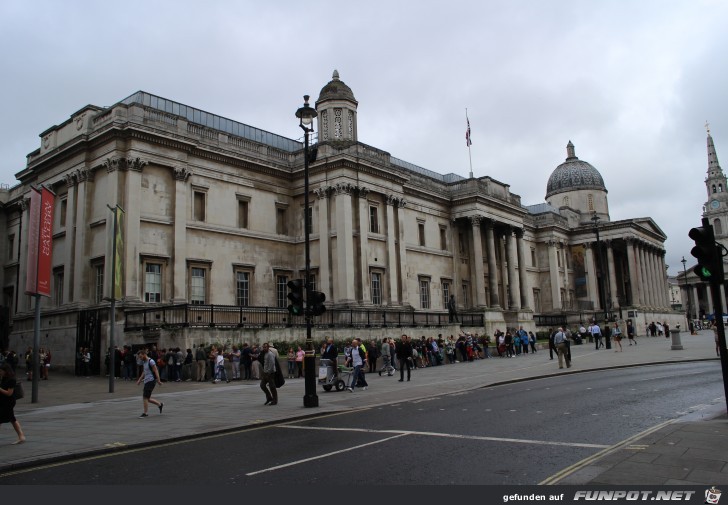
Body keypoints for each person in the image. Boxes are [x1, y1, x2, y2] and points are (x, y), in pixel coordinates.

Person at [0, 363, 25, 444]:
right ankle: (21, 436)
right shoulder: (3, 378)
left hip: (8, 402)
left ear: (6, 371)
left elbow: (9, 393)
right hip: (3, 401)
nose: (0, 372)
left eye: (1, 371)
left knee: (11, 419)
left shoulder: (11, 380)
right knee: (12, 419)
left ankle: (21, 436)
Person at [135, 349, 163, 418]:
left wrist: (158, 380)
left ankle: (145, 413)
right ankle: (160, 404)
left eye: (141, 356)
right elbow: (144, 372)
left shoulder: (151, 361)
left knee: (145, 397)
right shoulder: (144, 362)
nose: (140, 358)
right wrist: (139, 380)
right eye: (139, 357)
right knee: (148, 398)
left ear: (144, 354)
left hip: (151, 380)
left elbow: (156, 370)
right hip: (146, 381)